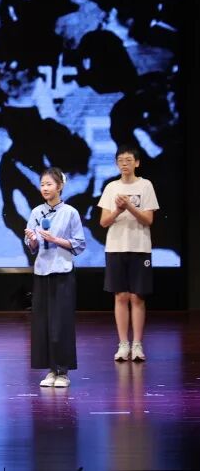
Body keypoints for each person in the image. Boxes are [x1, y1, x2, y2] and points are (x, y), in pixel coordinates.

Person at [24, 167, 86, 388]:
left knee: (61, 323)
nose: (45, 188)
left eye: (49, 184)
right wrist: (32, 239)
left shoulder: (70, 212)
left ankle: (63, 371)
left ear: (59, 186)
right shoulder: (36, 212)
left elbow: (79, 244)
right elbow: (32, 245)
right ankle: (51, 370)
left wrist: (55, 239)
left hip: (62, 272)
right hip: (42, 272)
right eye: (42, 185)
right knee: (43, 323)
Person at [98, 146, 158, 362]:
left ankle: (137, 344)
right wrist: (118, 210)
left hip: (140, 247)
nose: (124, 163)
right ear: (117, 164)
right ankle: (123, 344)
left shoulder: (146, 185)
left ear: (137, 163)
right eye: (121, 160)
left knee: (137, 297)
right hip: (115, 247)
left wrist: (129, 207)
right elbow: (104, 222)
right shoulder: (111, 187)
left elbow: (148, 220)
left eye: (128, 160)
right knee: (121, 296)